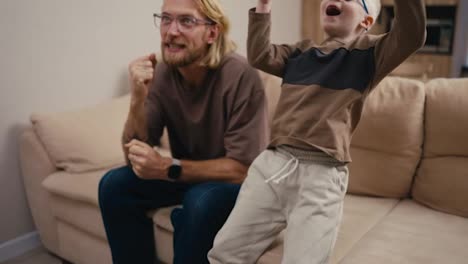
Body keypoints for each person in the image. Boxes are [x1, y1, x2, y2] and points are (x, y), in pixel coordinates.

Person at [208, 0, 426, 263]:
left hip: (321, 176)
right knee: (224, 251)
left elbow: (412, 35)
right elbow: (260, 55)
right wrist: (263, 6)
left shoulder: (371, 53)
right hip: (272, 166)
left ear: (366, 22)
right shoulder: (301, 51)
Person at [97, 0, 269, 263]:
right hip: (186, 176)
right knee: (114, 185)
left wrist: (169, 167)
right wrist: (137, 98)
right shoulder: (164, 72)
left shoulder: (240, 75)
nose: (171, 31)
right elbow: (133, 155)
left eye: (186, 21)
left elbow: (243, 169)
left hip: (236, 185)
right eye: (166, 19)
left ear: (212, 33)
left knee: (200, 201)